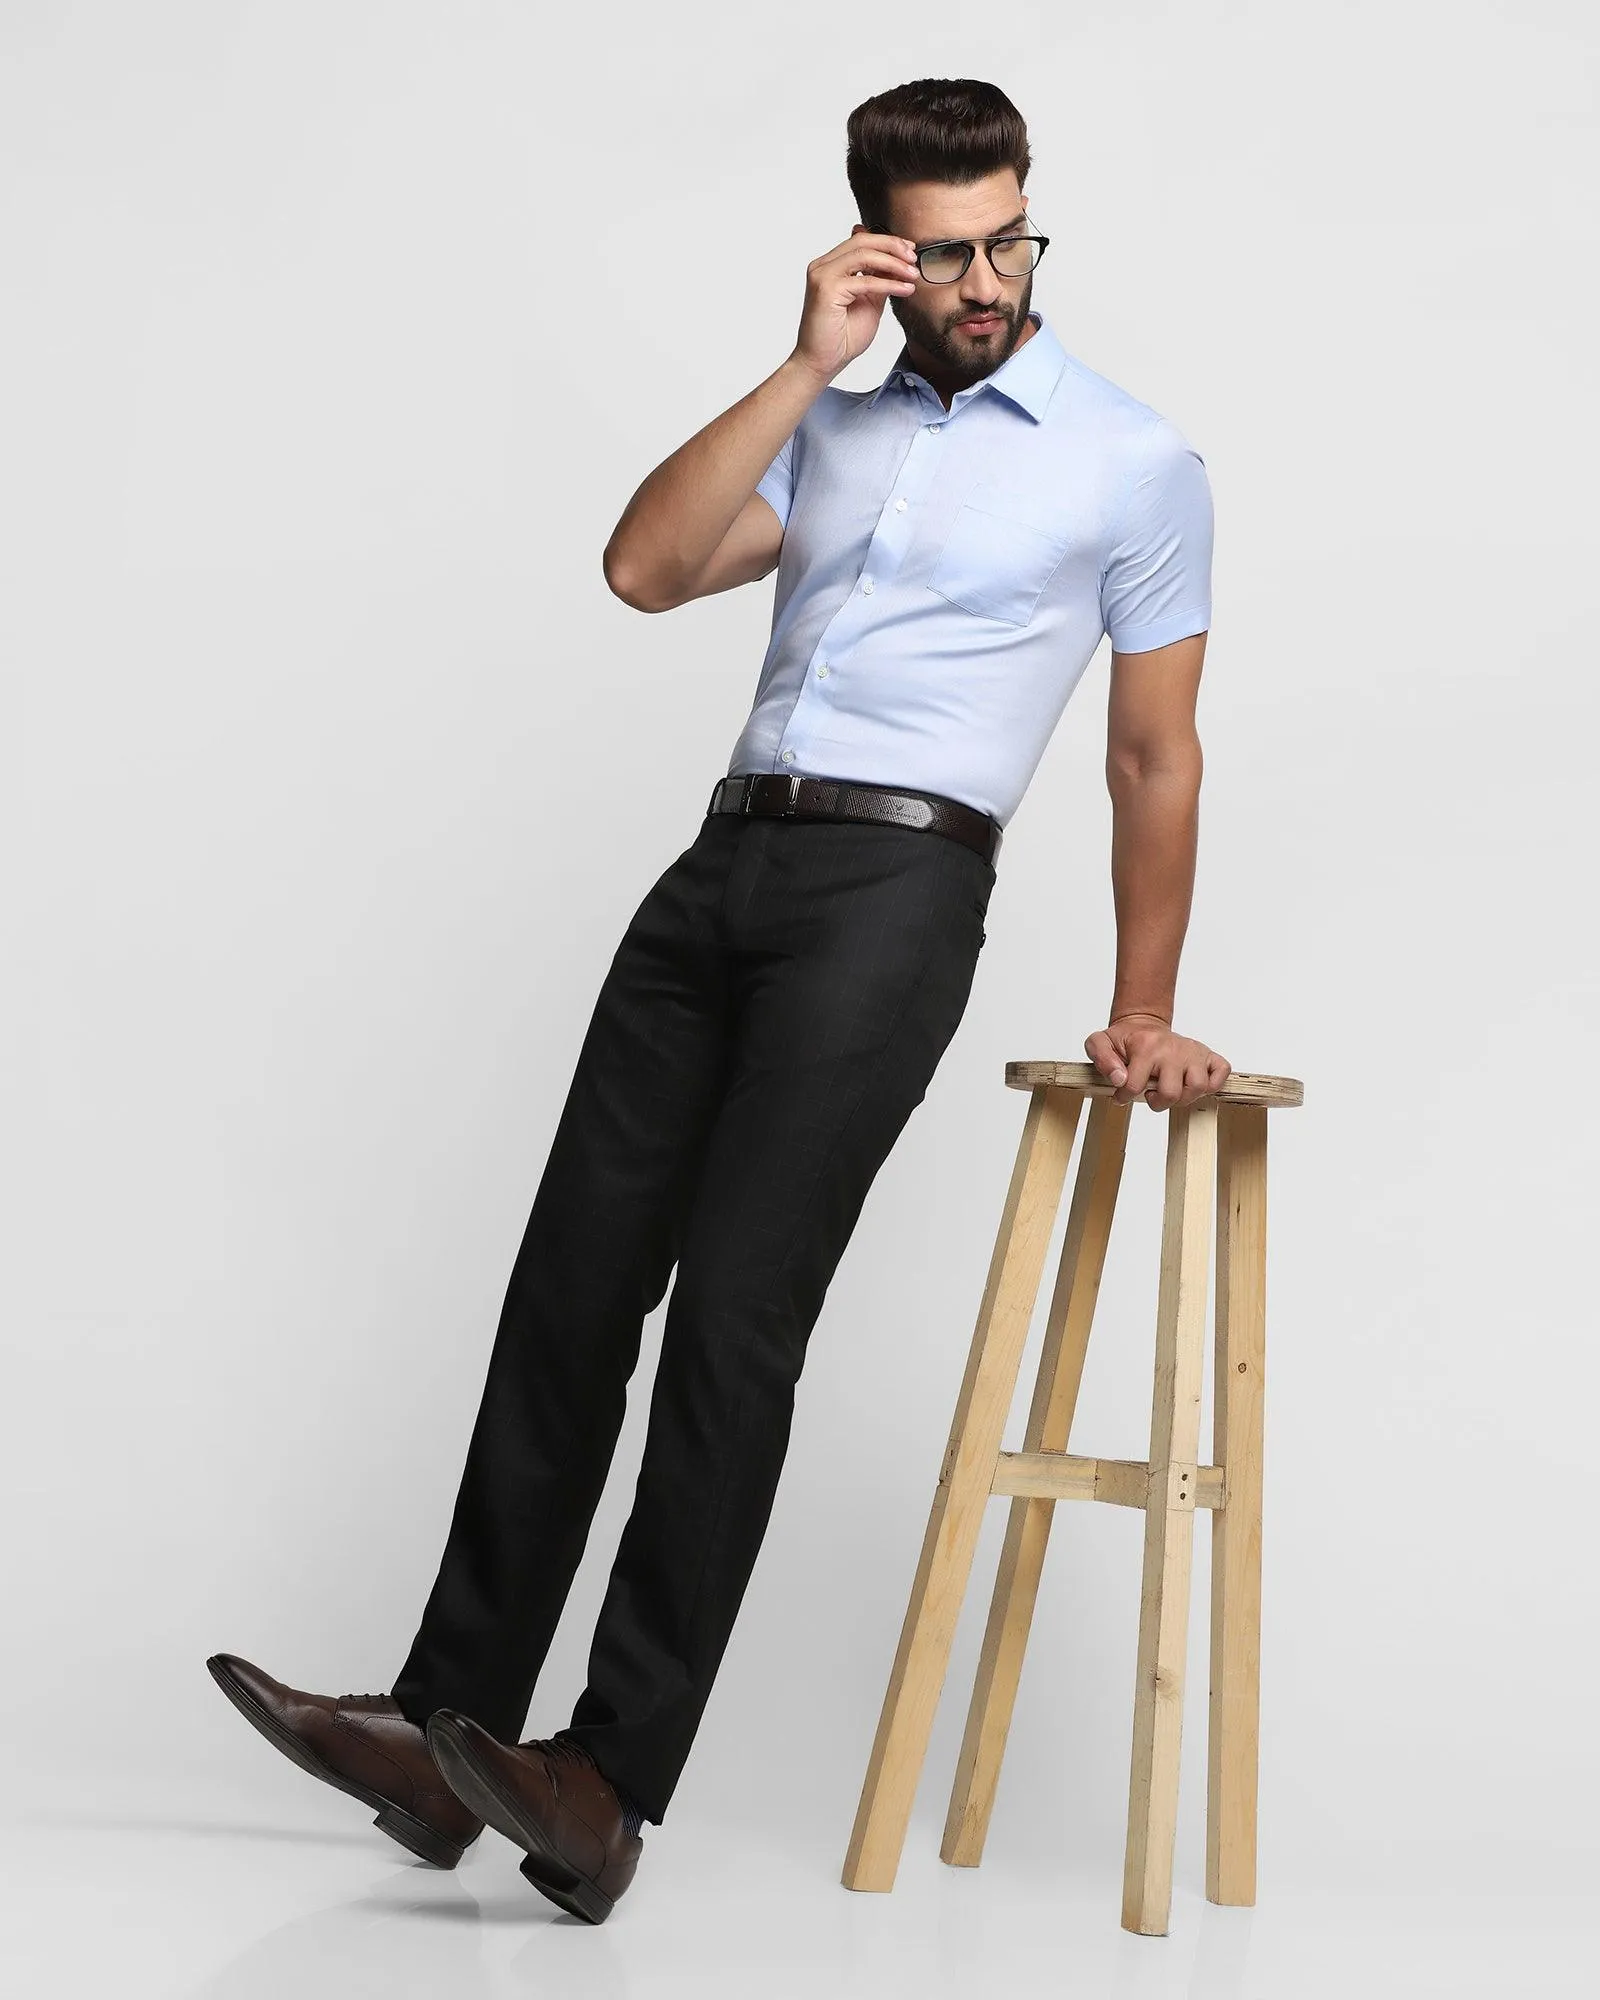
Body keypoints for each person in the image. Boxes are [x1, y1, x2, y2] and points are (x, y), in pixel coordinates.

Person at [207, 75, 1232, 1925]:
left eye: (1009, 236)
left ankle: (606, 1782)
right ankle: (449, 1735)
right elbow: (645, 568)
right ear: (875, 247)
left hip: (899, 888)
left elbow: (1157, 758)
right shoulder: (831, 431)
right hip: (719, 871)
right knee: (572, 1281)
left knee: (732, 1321)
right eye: (942, 251)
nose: (985, 276)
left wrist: (1140, 997)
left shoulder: (1131, 461)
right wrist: (797, 364)